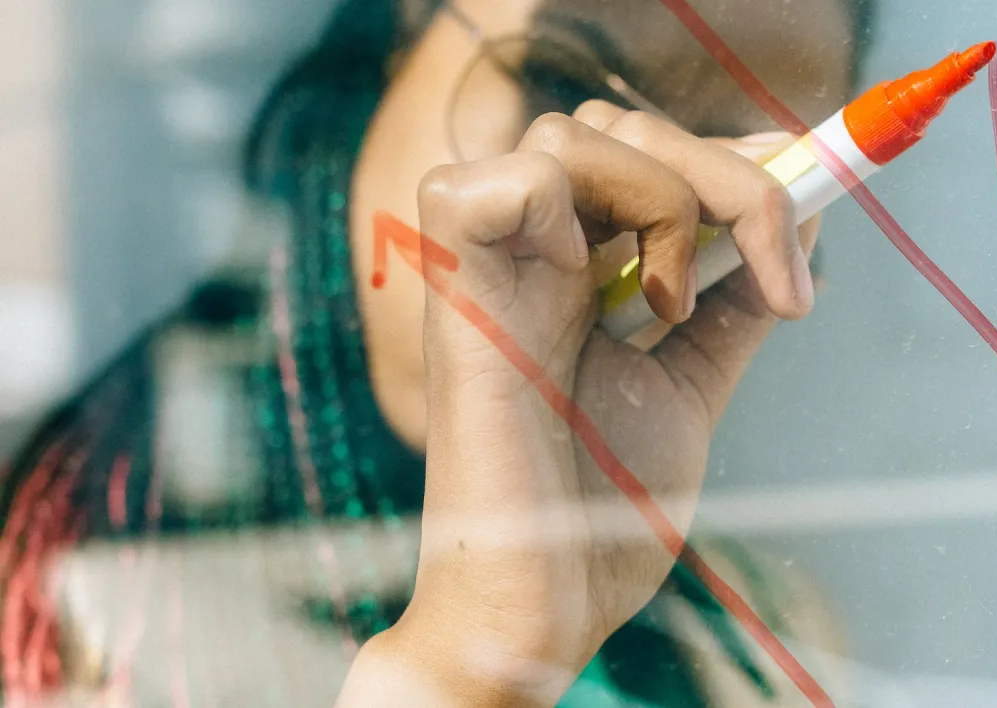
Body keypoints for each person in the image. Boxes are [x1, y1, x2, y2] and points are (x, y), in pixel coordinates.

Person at [1, 0, 872, 704]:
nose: (638, 219)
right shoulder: (70, 591)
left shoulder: (758, 634)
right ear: (392, 46)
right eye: (559, 87)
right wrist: (471, 667)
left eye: (746, 197)